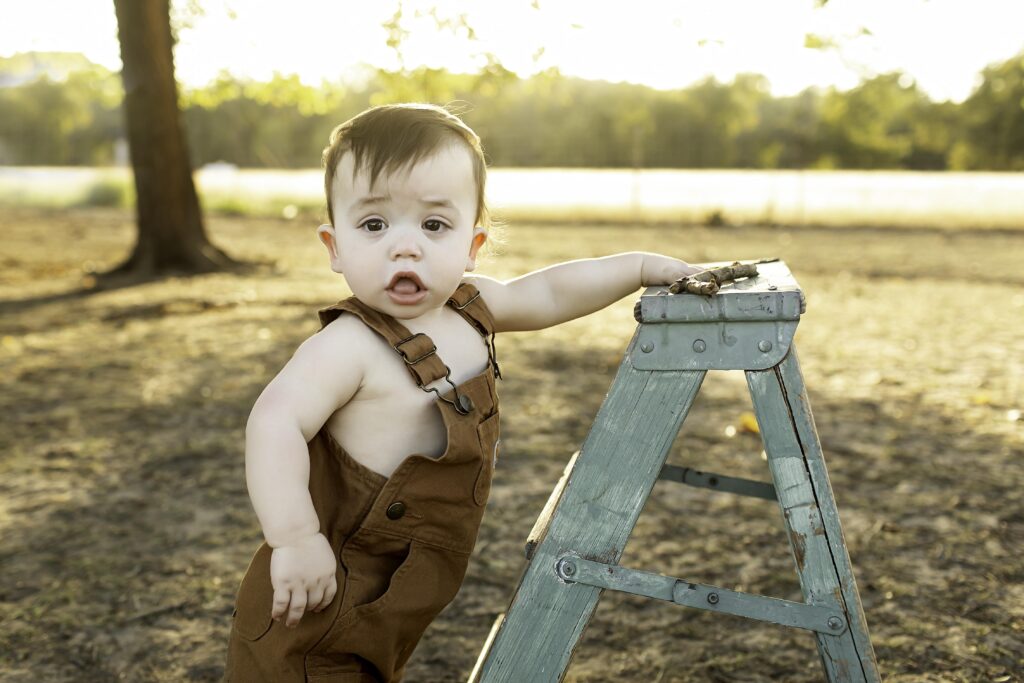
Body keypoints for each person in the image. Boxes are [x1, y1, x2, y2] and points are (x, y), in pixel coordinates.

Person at [223, 103, 700, 682]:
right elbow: (274, 422)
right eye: (375, 225)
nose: (406, 247)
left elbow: (550, 292)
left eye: (434, 225)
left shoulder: (473, 309)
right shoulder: (347, 346)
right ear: (335, 246)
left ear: (473, 245)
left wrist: (641, 266)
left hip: (395, 597)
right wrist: (295, 539)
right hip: (317, 604)